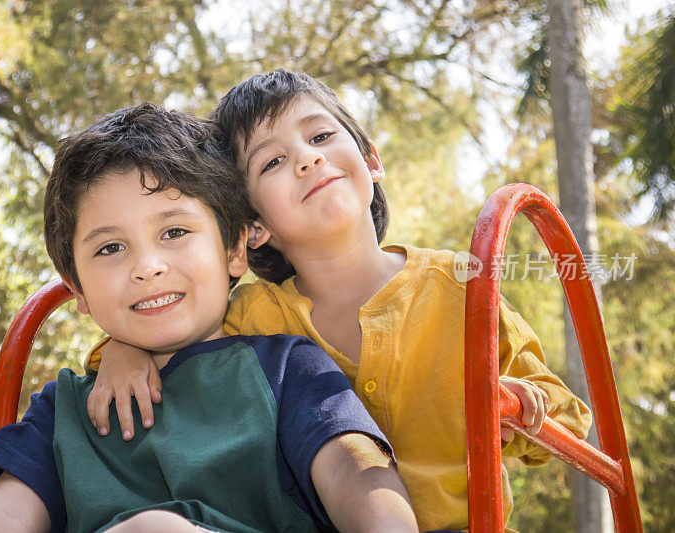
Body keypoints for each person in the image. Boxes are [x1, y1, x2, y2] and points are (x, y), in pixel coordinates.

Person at [86, 70, 595, 532]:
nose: (309, 158)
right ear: (253, 228)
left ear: (370, 160)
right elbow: (174, 342)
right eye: (274, 162)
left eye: (321, 136)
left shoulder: (461, 287)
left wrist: (527, 404)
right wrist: (119, 352)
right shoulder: (253, 317)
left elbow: (570, 415)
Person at [0, 103, 420, 533]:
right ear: (77, 287)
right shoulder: (63, 411)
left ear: (235, 248)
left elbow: (351, 470)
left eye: (174, 231)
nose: (147, 266)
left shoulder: (285, 367)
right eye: (111, 248)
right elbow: (5, 511)